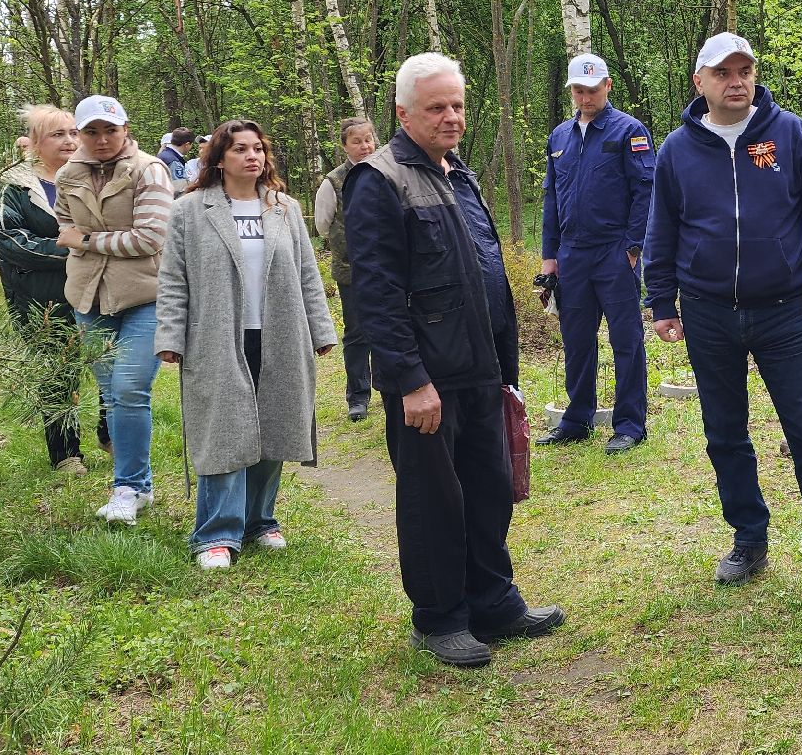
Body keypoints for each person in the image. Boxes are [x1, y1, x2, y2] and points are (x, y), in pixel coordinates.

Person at [344, 52, 564, 667]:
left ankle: (494, 602)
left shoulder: (457, 173)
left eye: (459, 105)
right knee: (433, 500)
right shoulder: (379, 180)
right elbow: (376, 294)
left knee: (490, 490)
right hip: (428, 380)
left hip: (481, 368)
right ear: (403, 112)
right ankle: (439, 617)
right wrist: (410, 381)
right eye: (437, 107)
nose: (452, 117)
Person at [644, 32, 802, 605]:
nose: (736, 81)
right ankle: (749, 537)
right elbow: (661, 229)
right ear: (700, 83)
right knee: (725, 432)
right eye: (723, 73)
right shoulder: (676, 150)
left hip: (784, 311)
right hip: (708, 311)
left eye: (744, 71)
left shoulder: (789, 134)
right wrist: (661, 299)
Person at [156, 120, 337, 570]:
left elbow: (307, 275)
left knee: (274, 423)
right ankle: (216, 534)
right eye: (240, 149)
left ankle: (260, 521)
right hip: (216, 336)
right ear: (219, 158)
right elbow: (173, 280)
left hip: (279, 332)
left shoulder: (284, 208)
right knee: (224, 430)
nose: (252, 157)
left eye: (258, 149)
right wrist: (170, 336)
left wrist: (321, 329)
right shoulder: (190, 210)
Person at [56, 94, 174, 525]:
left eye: (110, 129)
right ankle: (139, 487)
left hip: (146, 297)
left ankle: (126, 486)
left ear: (125, 129)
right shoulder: (68, 173)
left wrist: (87, 241)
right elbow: (63, 224)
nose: (101, 139)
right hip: (88, 296)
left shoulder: (150, 170)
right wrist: (83, 237)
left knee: (128, 388)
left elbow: (149, 239)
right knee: (112, 394)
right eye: (91, 131)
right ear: (80, 134)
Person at [537, 52, 654, 454]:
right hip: (572, 256)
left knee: (626, 339)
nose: (585, 98)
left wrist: (633, 247)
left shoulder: (629, 131)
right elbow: (551, 199)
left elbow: (644, 192)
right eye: (578, 91)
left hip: (614, 253)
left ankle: (630, 424)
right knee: (578, 339)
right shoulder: (559, 137)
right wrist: (549, 256)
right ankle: (577, 419)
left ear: (607, 86)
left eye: (591, 90)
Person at [0, 105, 90, 473]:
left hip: (96, 290)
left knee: (110, 364)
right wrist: (72, 249)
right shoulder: (16, 186)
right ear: (35, 142)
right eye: (57, 134)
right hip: (42, 296)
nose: (68, 140)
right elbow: (11, 240)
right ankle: (66, 453)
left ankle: (110, 433)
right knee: (59, 372)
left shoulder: (88, 178)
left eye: (72, 132)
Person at [313, 117, 380, 421]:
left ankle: (388, 384)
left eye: (368, 139)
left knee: (392, 327)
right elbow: (322, 225)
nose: (365, 146)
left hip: (388, 269)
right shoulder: (334, 182)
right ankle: (358, 396)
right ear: (344, 146)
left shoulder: (387, 170)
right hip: (351, 270)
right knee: (357, 332)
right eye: (357, 141)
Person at [157, 127, 194, 192]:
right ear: (187, 144)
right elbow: (180, 189)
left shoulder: (163, 155)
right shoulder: (174, 162)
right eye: (191, 145)